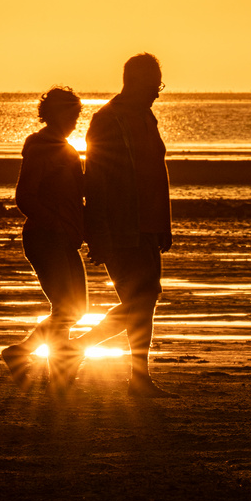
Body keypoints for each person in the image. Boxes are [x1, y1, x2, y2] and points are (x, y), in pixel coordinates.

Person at [68, 53, 175, 398]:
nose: (158, 92)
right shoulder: (107, 120)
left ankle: (137, 376)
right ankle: (81, 351)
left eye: (160, 85)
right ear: (135, 82)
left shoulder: (147, 117)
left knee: (145, 300)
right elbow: (96, 180)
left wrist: (163, 224)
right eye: (154, 85)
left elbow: (156, 174)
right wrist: (99, 234)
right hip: (120, 227)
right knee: (141, 299)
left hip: (147, 227)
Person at [2, 87, 87, 384]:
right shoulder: (39, 147)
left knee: (74, 308)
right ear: (52, 114)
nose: (75, 121)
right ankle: (57, 368)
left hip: (65, 238)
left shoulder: (66, 147)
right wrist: (56, 223)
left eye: (77, 115)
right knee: (66, 307)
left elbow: (77, 195)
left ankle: (26, 354)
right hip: (46, 238)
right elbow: (25, 196)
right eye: (71, 114)